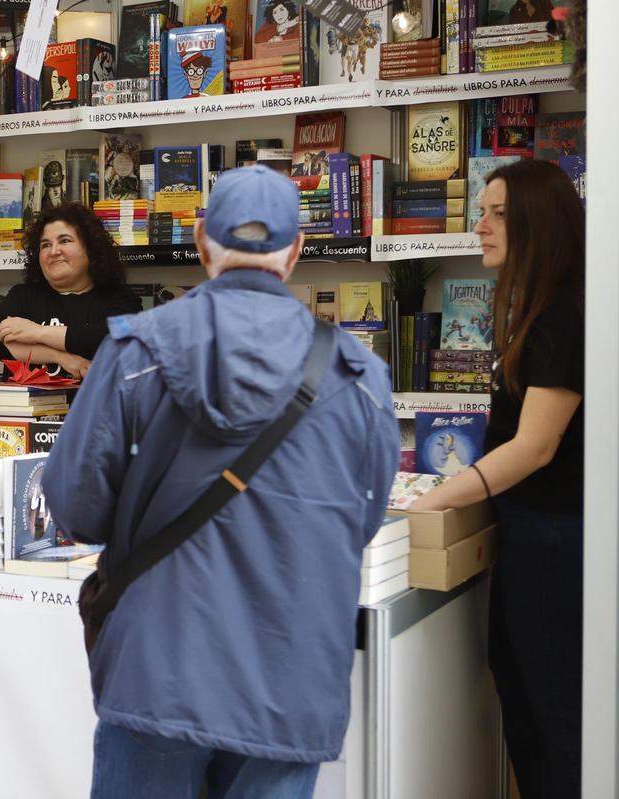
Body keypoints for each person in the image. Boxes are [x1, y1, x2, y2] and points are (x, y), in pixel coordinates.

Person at [43, 165, 398, 798]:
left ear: (204, 243)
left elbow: (75, 505)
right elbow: (362, 521)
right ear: (293, 253)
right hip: (290, 678)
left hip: (160, 668)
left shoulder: (134, 353)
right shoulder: (359, 375)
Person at [408, 159, 584, 799]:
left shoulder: (563, 314)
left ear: (540, 224)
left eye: (498, 213)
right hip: (532, 533)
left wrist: (435, 499)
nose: (479, 226)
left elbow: (535, 447)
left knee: (557, 711)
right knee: (524, 694)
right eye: (482, 211)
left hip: (558, 542)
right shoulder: (535, 308)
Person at [0, 203, 142, 380]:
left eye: (64, 240)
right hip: (28, 408)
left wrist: (37, 332)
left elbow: (114, 338)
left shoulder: (119, 298)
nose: (54, 251)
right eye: (46, 244)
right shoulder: (24, 296)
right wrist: (60, 357)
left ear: (91, 248)